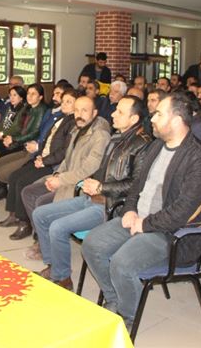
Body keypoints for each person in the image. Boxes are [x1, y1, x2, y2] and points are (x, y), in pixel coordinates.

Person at [82, 94, 201, 329]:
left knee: (122, 264)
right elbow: (137, 186)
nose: (152, 118)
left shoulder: (199, 159)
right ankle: (115, 299)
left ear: (176, 120)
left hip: (170, 232)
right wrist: (130, 210)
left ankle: (128, 316)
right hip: (138, 219)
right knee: (92, 245)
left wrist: (145, 224)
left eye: (159, 114)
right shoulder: (156, 146)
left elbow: (183, 211)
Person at [33, 96, 152, 290]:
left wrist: (101, 187)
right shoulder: (117, 137)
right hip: (93, 196)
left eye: (120, 112)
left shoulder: (142, 145)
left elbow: (136, 185)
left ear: (134, 119)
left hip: (112, 206)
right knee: (40, 214)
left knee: (57, 227)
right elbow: (100, 170)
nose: (113, 114)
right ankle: (53, 266)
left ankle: (62, 279)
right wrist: (92, 184)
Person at [12, 96, 111, 240]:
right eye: (76, 110)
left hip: (80, 186)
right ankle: (43, 236)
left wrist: (60, 180)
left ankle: (45, 240)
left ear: (94, 113)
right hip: (66, 178)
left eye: (84, 110)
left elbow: (88, 170)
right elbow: (66, 159)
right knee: (29, 192)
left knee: (41, 202)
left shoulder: (100, 136)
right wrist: (56, 175)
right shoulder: (77, 130)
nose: (79, 114)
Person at [0, 89, 77, 230]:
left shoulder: (73, 123)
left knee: (22, 182)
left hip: (53, 165)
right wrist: (40, 155)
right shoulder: (61, 118)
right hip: (43, 157)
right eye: (64, 101)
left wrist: (44, 160)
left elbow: (64, 151)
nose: (64, 104)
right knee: (14, 176)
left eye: (69, 102)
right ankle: (13, 215)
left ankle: (24, 222)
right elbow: (47, 140)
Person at [0, 83, 49, 188]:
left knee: (2, 173)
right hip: (22, 145)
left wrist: (13, 139)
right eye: (28, 93)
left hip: (31, 150)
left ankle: (5, 189)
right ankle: (1, 189)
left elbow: (34, 133)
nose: (29, 96)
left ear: (40, 97)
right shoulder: (28, 108)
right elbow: (17, 127)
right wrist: (7, 137)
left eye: (33, 94)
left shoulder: (41, 110)